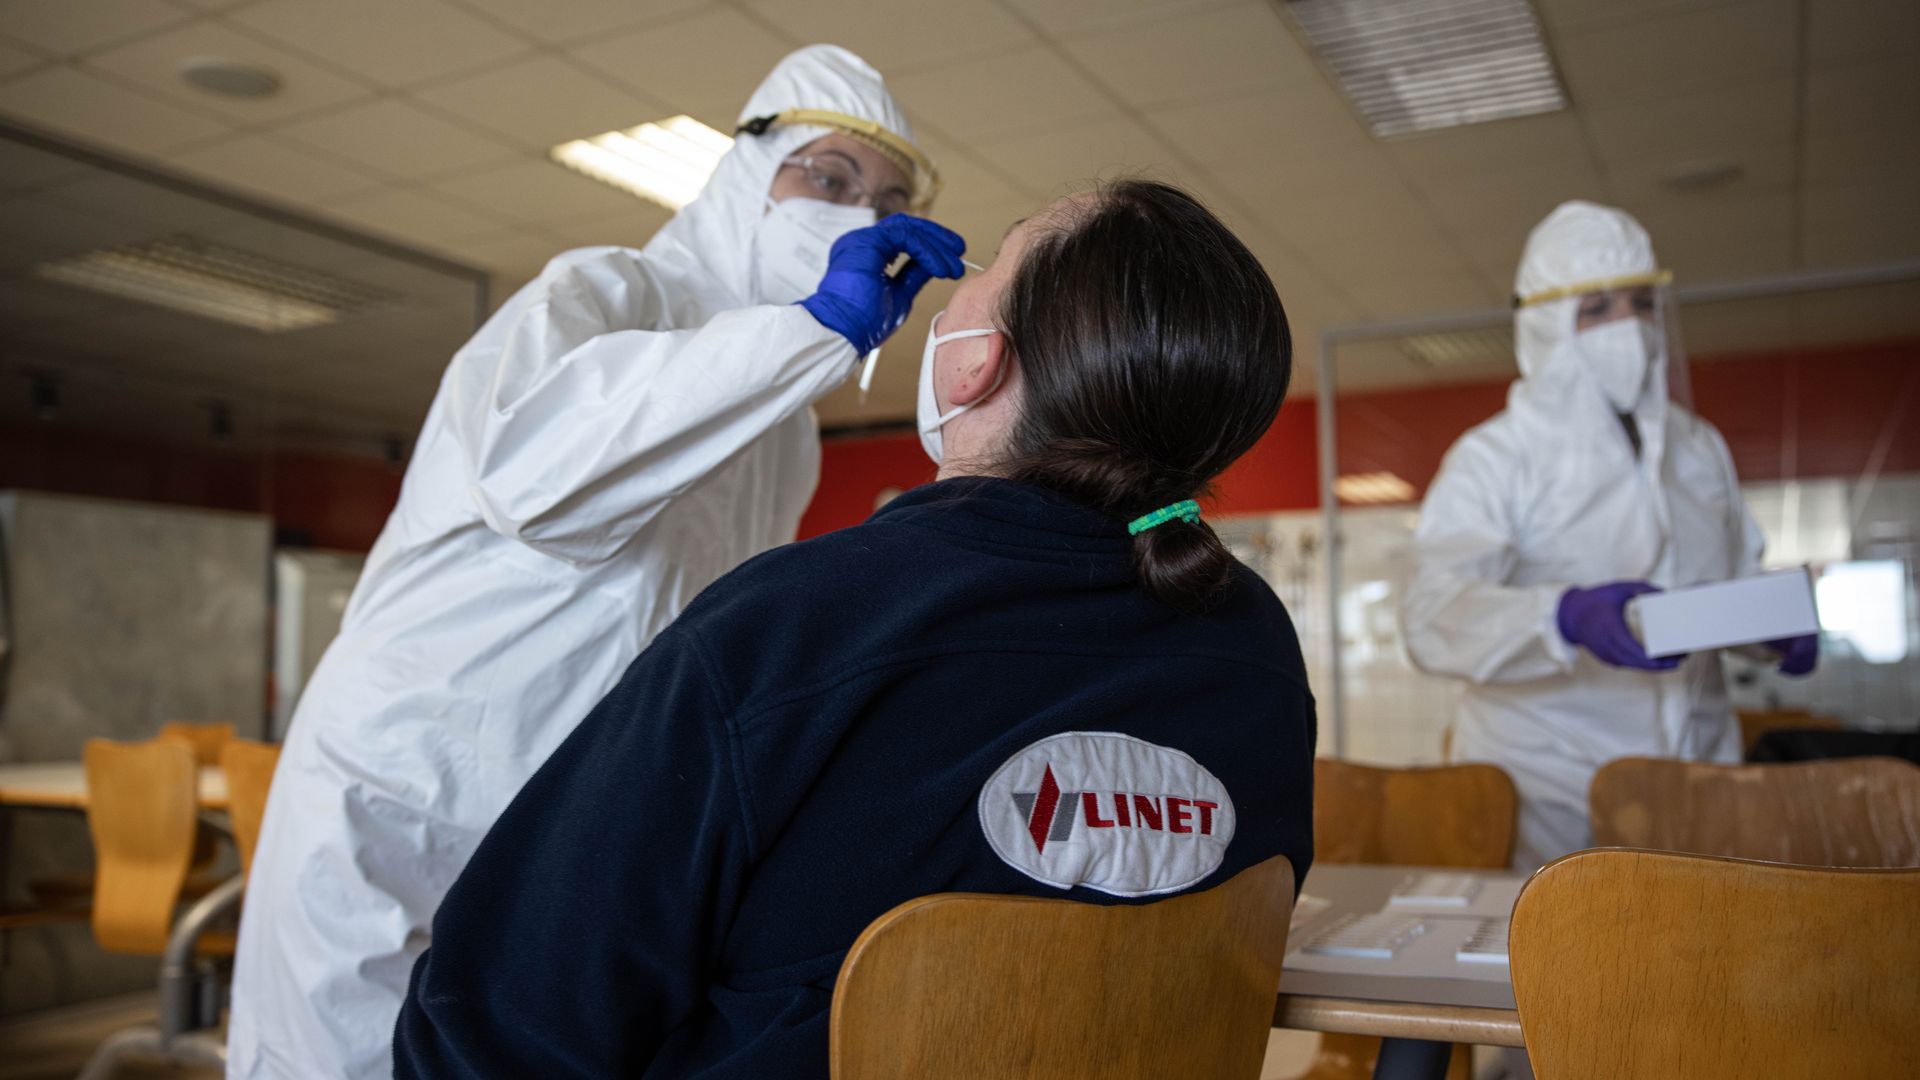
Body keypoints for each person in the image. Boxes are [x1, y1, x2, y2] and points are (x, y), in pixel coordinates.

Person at [390, 180, 1317, 1078]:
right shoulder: (1254, 648)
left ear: (975, 361)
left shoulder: (791, 624)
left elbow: (502, 1022)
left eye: (987, 270)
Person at [229, 45, 966, 1080]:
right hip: (400, 795)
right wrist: (812, 330)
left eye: (884, 200)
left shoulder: (785, 428)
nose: (854, 215)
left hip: (555, 821)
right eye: (828, 178)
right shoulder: (604, 292)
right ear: (744, 172)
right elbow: (541, 479)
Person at [1399, 200, 1818, 871]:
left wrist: (1771, 627)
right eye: (1596, 310)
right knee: (1556, 964)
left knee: (1705, 961)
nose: (1628, 328)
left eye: (1641, 304)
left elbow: (1732, 580)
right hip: (1548, 783)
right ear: (1546, 325)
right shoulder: (1496, 457)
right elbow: (1431, 617)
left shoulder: (1697, 448)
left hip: (1700, 773)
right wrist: (1561, 617)